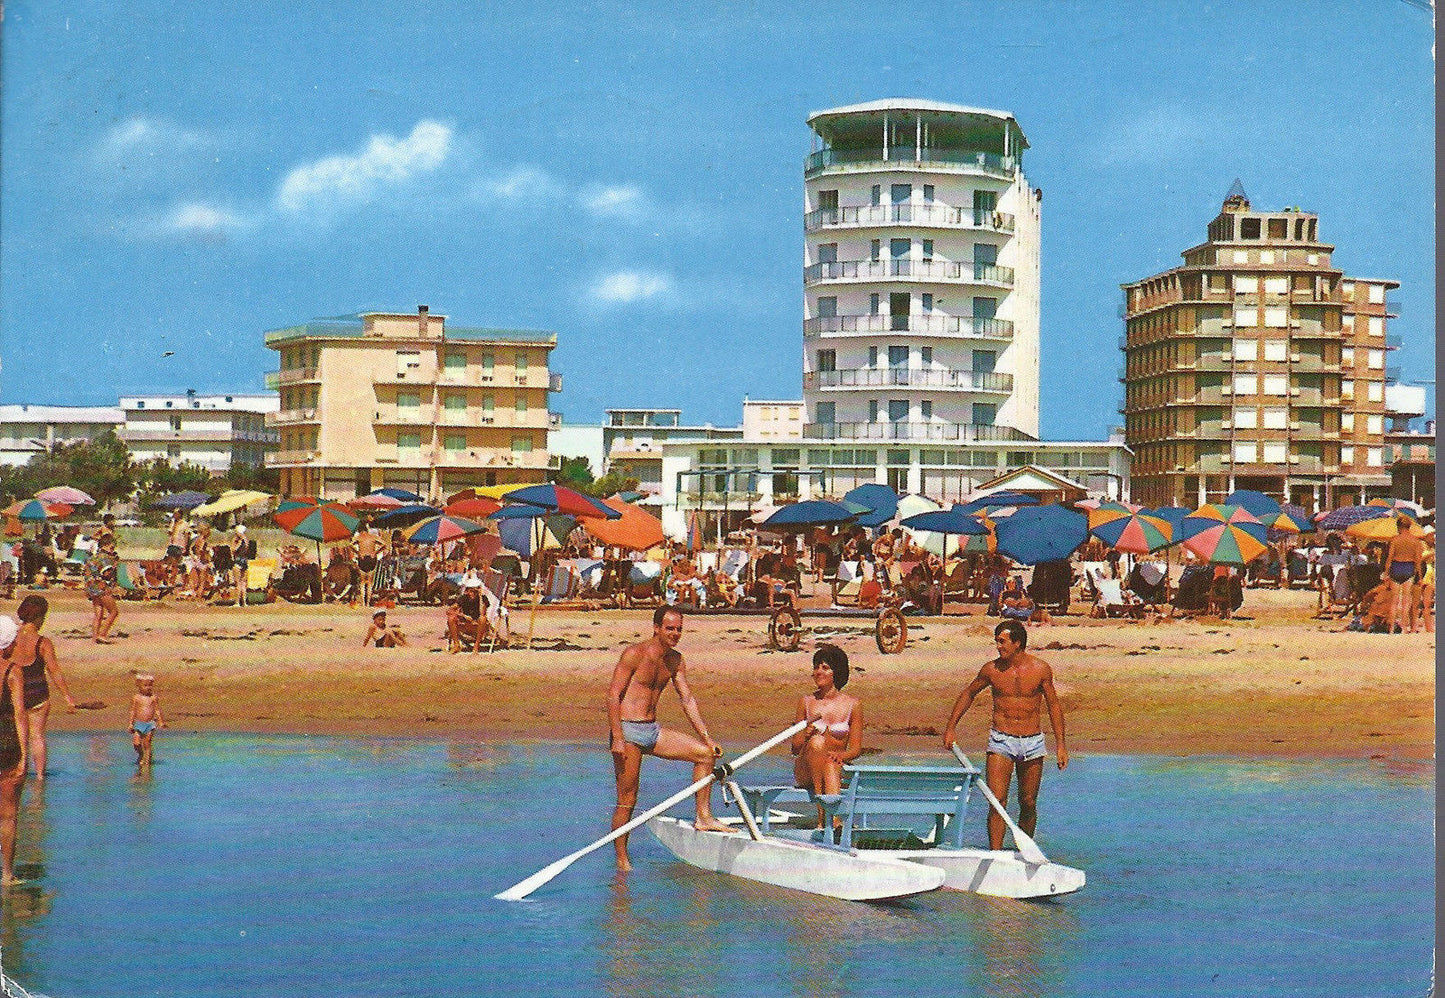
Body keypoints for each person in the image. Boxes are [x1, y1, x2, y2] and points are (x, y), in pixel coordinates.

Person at [607, 606, 731, 871]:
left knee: (704, 755)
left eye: (678, 629)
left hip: (652, 730)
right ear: (656, 628)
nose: (675, 634)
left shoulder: (676, 660)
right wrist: (617, 737)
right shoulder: (634, 654)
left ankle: (704, 817)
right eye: (670, 628)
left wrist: (706, 738)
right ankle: (621, 860)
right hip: (628, 731)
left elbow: (686, 699)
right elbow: (613, 695)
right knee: (628, 798)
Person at [941, 620, 1068, 852]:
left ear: (1018, 643)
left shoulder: (1041, 669)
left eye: (1003, 642)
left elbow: (1053, 706)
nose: (998, 647)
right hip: (1001, 740)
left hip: (1032, 741)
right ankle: (996, 854)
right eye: (997, 642)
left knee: (1028, 803)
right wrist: (951, 726)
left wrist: (1061, 745)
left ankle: (1025, 851)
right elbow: (969, 693)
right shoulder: (991, 670)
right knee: (996, 802)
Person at [790, 644, 862, 829]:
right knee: (817, 742)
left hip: (834, 767)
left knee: (830, 764)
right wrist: (805, 736)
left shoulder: (853, 705)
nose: (818, 672)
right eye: (816, 667)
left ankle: (833, 821)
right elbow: (795, 748)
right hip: (806, 767)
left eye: (825, 668)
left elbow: (855, 749)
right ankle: (824, 815)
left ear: (836, 672)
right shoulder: (805, 702)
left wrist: (841, 756)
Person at [9, 596, 77, 780]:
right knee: (37, 736)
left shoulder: (10, 638)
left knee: (19, 735)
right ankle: (39, 778)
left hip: (16, 693)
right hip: (38, 692)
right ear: (40, 617)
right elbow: (54, 671)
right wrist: (68, 698)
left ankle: (21, 768)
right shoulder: (42, 642)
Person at [0, 614, 26, 886]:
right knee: (8, 815)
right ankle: (7, 874)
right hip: (6, 743)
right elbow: (20, 714)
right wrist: (25, 757)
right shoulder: (12, 670)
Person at [1383, 517, 1425, 634]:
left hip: (1396, 567)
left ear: (1399, 527)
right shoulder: (1415, 541)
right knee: (1406, 601)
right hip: (1408, 568)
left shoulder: (1395, 540)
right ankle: (1404, 628)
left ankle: (1391, 629)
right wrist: (1420, 577)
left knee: (1394, 601)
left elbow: (1390, 558)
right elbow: (1417, 561)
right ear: (1409, 527)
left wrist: (1386, 573)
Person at [83, 534, 121, 643]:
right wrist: (114, 566)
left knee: (98, 614)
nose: (112, 550)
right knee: (113, 612)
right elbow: (107, 574)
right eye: (111, 547)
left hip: (91, 588)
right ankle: (103, 634)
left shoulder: (93, 557)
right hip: (101, 588)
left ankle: (95, 637)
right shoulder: (105, 558)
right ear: (106, 545)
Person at [129, 673, 166, 767]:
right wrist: (130, 724)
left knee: (147, 742)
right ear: (139, 686)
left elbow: (157, 710)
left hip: (150, 724)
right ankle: (141, 754)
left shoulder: (153, 698)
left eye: (150, 685)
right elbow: (133, 711)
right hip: (138, 723)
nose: (148, 687)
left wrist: (161, 721)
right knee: (136, 743)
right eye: (145, 685)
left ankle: (147, 761)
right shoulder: (136, 698)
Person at [354, 520, 386, 607]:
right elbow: (384, 544)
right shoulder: (373, 537)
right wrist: (375, 552)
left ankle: (364, 603)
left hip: (362, 558)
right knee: (370, 582)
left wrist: (358, 553)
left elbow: (350, 545)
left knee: (362, 581)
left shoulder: (359, 537)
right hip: (372, 558)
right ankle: (368, 602)